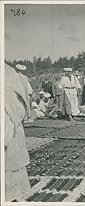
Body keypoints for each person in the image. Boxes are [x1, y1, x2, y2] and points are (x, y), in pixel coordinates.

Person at [5, 63, 31, 201]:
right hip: (13, 119)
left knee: (11, 161)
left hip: (11, 123)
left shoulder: (15, 79)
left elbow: (20, 102)